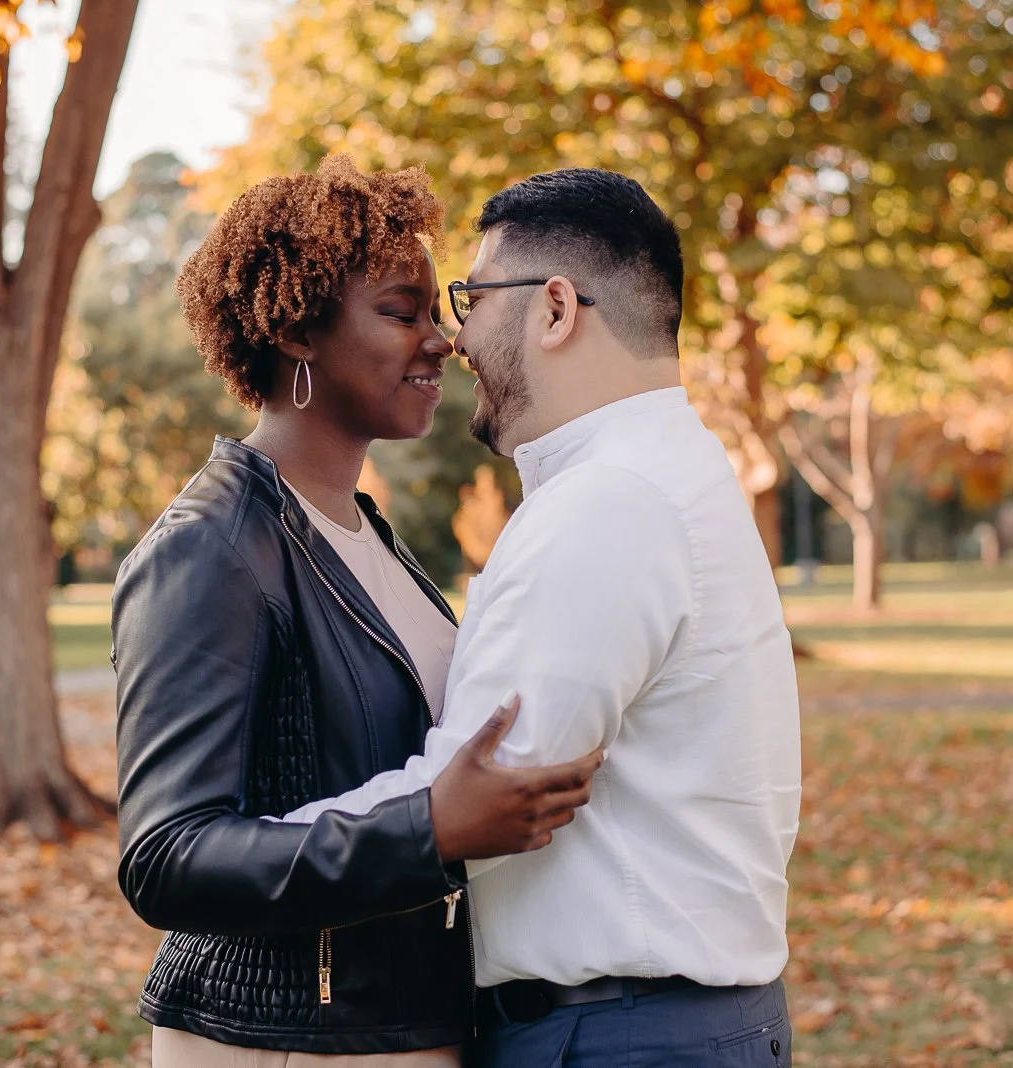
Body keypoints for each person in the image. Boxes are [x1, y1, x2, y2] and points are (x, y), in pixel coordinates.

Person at [280, 169, 803, 1067]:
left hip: (616, 1038)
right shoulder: (668, 468)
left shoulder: (608, 502)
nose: (453, 338)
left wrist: (241, 855)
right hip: (663, 1024)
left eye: (473, 299)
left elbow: (485, 790)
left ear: (555, 309)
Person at [110, 155, 603, 1067]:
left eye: (434, 314)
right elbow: (166, 856)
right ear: (298, 330)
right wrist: (430, 829)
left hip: (404, 1024)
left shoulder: (366, 533)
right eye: (401, 313)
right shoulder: (209, 548)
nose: (443, 342)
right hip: (283, 1043)